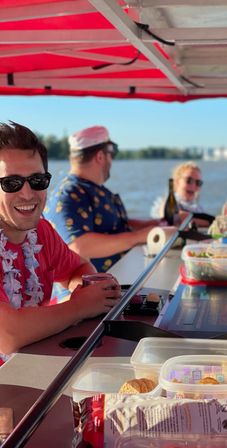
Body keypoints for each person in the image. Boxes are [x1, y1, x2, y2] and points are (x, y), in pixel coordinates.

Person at [0, 121, 121, 362]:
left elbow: (79, 268)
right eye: (11, 183)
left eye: (37, 180)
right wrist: (78, 307)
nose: (27, 194)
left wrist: (84, 294)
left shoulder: (41, 232)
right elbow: (7, 334)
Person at [45, 125, 160, 275]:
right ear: (100, 156)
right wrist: (140, 236)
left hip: (119, 281)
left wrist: (153, 225)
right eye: (111, 154)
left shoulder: (90, 189)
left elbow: (114, 225)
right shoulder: (68, 194)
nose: (111, 161)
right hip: (92, 293)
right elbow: (80, 246)